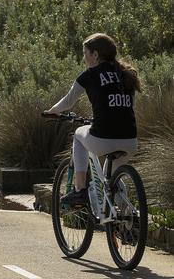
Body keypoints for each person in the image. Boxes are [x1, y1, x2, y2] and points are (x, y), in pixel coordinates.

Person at [45, 33, 139, 207]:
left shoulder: (90, 75)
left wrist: (52, 111)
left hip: (103, 138)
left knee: (78, 135)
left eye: (85, 53)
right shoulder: (126, 75)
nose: (84, 58)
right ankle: (127, 218)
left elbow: (68, 101)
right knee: (110, 179)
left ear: (95, 55)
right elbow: (127, 106)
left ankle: (79, 190)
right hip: (130, 140)